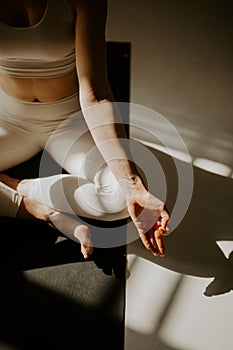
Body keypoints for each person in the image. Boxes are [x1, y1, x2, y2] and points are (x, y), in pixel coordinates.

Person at [0, 0, 170, 259]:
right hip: (8, 119)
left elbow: (96, 95)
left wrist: (132, 183)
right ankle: (39, 210)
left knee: (118, 200)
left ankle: (15, 185)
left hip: (68, 121)